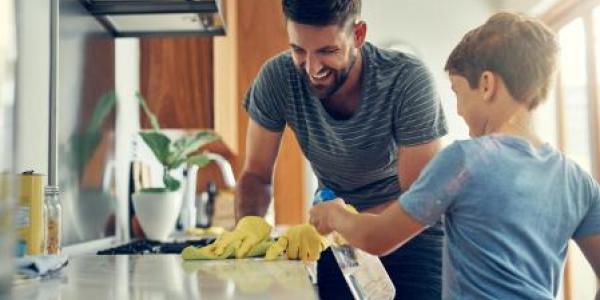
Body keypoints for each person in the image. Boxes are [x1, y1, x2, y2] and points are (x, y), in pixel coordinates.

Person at [310, 12, 600, 299]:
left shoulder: (464, 160)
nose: (459, 109)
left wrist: (334, 214)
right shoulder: (578, 181)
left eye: (458, 91)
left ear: (487, 84)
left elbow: (377, 238)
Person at [216, 0, 447, 298]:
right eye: (299, 50)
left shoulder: (406, 81)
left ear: (358, 35)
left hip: (411, 240)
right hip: (337, 245)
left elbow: (418, 199)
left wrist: (344, 222)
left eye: (327, 51)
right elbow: (256, 174)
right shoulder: (277, 78)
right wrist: (248, 228)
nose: (312, 68)